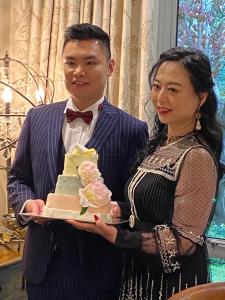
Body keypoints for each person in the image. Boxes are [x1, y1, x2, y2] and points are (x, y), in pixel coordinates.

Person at [67, 47, 223, 299]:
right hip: (139, 274)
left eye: (173, 89)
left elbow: (184, 240)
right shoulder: (160, 144)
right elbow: (151, 209)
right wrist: (117, 209)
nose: (160, 97)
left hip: (173, 285)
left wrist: (119, 236)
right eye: (157, 86)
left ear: (201, 98)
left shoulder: (196, 156)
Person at [7, 23, 149, 300]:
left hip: (98, 270)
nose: (78, 71)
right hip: (41, 268)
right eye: (70, 62)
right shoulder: (37, 118)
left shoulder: (133, 129)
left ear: (110, 67)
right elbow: (18, 178)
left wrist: (110, 209)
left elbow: (137, 199)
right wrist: (28, 204)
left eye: (90, 62)